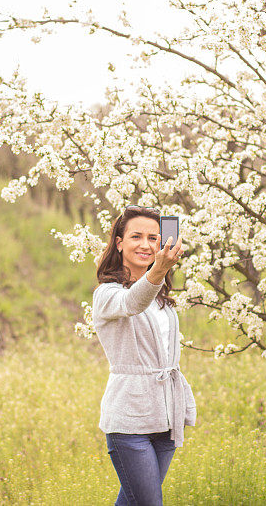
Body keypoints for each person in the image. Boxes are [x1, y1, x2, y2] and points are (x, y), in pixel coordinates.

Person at [93, 205, 197, 506]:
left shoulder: (162, 297)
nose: (146, 244)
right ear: (119, 242)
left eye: (154, 238)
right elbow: (133, 302)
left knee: (133, 502)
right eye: (136, 236)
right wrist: (160, 270)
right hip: (130, 421)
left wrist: (159, 275)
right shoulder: (108, 294)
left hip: (165, 418)